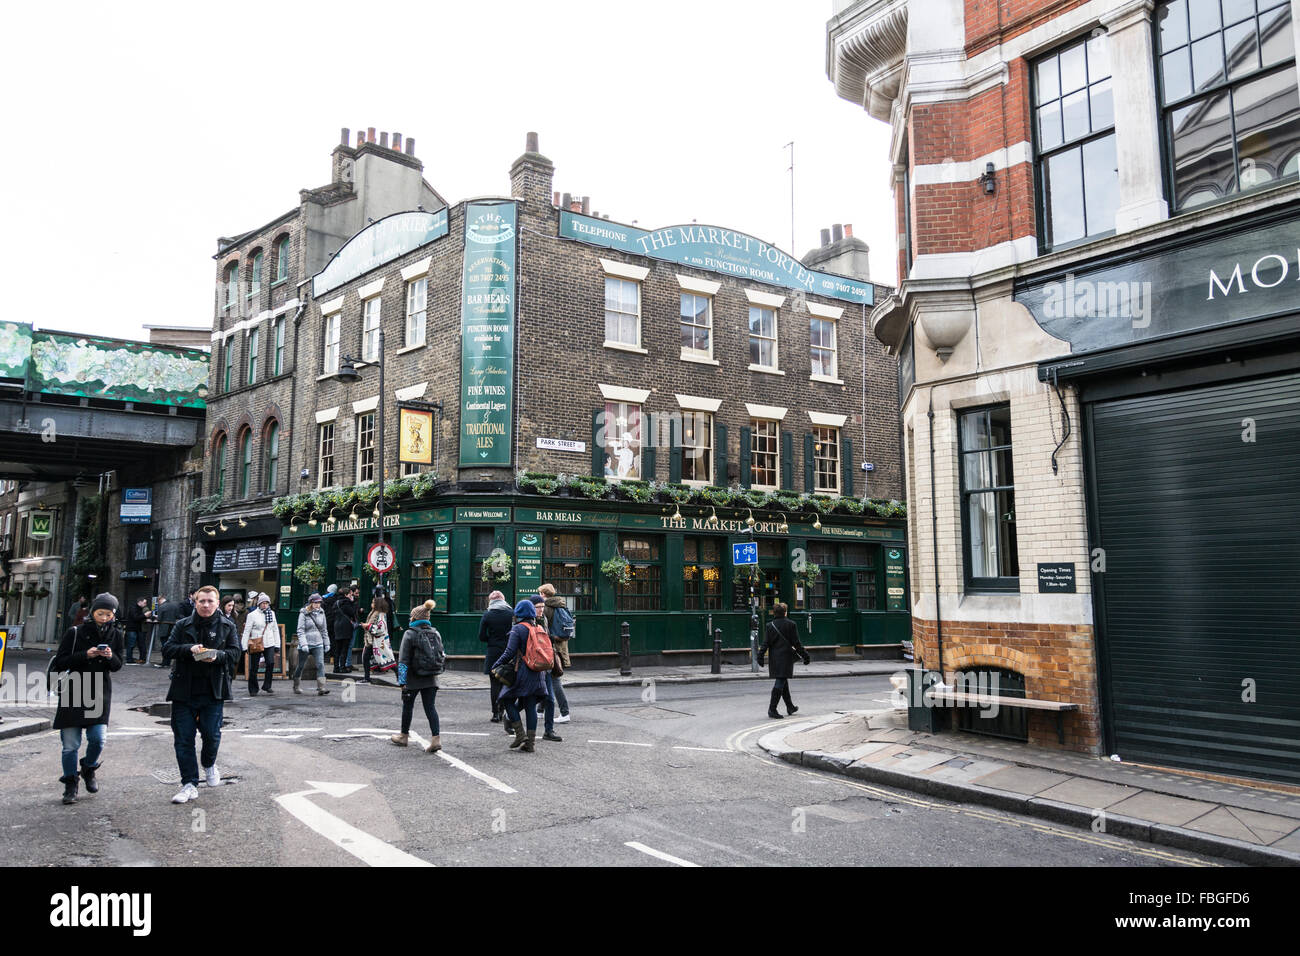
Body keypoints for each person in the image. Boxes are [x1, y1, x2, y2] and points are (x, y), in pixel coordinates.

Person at [163, 585, 241, 804]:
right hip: (183, 690)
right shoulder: (182, 625)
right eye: (202, 601)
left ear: (217, 604)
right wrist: (189, 649)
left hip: (213, 690)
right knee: (183, 739)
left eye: (210, 601)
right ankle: (189, 784)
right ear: (195, 602)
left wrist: (216, 655)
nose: (206, 605)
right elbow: (168, 649)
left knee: (212, 735)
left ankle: (208, 763)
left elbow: (235, 653)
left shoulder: (228, 626)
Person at [52, 593, 124, 805]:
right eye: (100, 613)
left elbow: (119, 665)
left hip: (99, 693)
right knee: (70, 745)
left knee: (98, 738)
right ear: (92, 612)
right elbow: (61, 662)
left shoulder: (116, 635)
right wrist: (87, 655)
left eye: (108, 614)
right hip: (74, 691)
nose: (104, 617)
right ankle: (70, 784)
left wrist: (110, 656)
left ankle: (88, 768)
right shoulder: (75, 632)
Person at [491, 600, 551, 753]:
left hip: (522, 671)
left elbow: (509, 652)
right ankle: (530, 743)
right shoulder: (538, 627)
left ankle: (520, 735)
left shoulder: (518, 629)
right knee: (530, 705)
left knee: (506, 699)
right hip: (538, 672)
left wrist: (495, 665)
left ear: (518, 613)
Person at [390, 601, 442, 753]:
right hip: (432, 677)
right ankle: (436, 739)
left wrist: (402, 681)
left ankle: (403, 736)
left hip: (413, 678)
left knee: (408, 706)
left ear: (414, 618)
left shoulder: (410, 633)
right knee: (430, 707)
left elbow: (404, 660)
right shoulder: (435, 632)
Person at [757, 602, 811, 719]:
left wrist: (760, 656)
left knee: (783, 680)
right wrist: (805, 655)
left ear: (774, 613)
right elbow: (796, 644)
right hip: (786, 658)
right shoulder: (791, 624)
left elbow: (765, 643)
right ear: (785, 612)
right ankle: (772, 709)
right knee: (781, 681)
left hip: (774, 659)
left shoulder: (769, 625)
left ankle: (790, 706)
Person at [538, 583, 573, 724]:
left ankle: (565, 713)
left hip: (551, 649)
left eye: (540, 593)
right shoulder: (561, 605)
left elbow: (543, 630)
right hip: (561, 647)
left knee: (554, 680)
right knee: (546, 679)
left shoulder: (546, 608)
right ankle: (540, 710)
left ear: (543, 594)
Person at [477, 590, 514, 723]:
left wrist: (492, 640)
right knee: (507, 682)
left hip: (493, 652)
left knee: (494, 683)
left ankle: (495, 713)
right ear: (503, 600)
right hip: (509, 651)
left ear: (491, 601)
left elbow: (481, 636)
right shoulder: (512, 613)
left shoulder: (488, 614)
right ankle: (504, 711)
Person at [532, 596, 563, 743]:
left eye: (542, 607)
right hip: (533, 666)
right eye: (538, 607)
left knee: (550, 699)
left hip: (546, 664)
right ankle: (509, 718)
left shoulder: (543, 619)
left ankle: (548, 730)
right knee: (528, 700)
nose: (541, 609)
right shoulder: (526, 620)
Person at [241, 593, 280, 696]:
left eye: (267, 603)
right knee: (254, 667)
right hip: (256, 642)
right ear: (259, 604)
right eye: (263, 603)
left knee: (271, 663)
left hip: (269, 642)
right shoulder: (252, 615)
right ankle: (253, 689)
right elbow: (246, 631)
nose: (265, 605)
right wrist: (244, 646)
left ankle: (267, 685)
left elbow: (275, 629)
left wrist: (277, 645)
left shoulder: (272, 613)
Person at [292, 593, 331, 696]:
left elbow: (324, 630)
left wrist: (326, 643)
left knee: (320, 664)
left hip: (318, 643)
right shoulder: (303, 613)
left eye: (319, 602)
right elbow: (300, 630)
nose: (318, 604)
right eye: (315, 602)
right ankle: (296, 685)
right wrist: (304, 644)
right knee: (300, 666)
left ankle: (321, 687)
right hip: (306, 643)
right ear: (311, 603)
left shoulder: (322, 613)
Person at [359, 595, 389, 684]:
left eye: (373, 602)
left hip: (376, 641)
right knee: (366, 658)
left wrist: (367, 626)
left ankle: (399, 675)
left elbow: (380, 628)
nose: (371, 604)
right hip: (370, 640)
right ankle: (367, 678)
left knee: (387, 659)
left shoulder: (380, 615)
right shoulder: (374, 612)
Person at [331, 585, 359, 674]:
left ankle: (336, 667)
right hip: (346, 627)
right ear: (346, 595)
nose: (351, 596)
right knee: (344, 648)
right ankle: (342, 667)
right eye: (350, 594)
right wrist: (352, 602)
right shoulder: (347, 603)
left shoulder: (336, 603)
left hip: (337, 626)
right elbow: (352, 612)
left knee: (337, 648)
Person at [124, 596, 149, 665]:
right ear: (140, 602)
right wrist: (145, 615)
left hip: (136, 629)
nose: (145, 604)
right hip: (132, 629)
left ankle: (130, 659)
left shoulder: (140, 608)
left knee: (133, 644)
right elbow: (135, 618)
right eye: (144, 602)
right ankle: (129, 660)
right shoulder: (133, 608)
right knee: (131, 645)